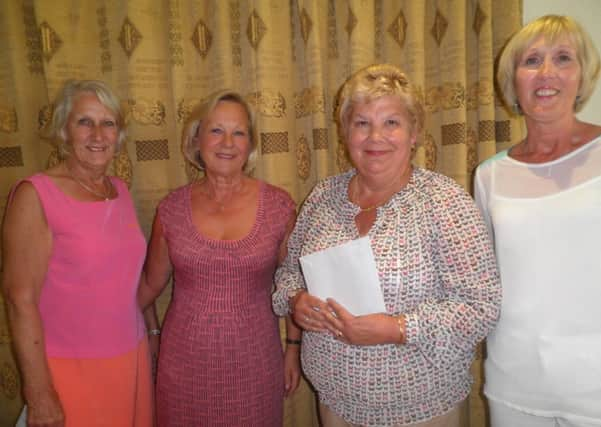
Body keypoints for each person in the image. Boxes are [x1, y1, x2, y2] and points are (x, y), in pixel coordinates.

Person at [272, 63, 501, 427]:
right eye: (362, 123)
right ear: (345, 133)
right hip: (335, 405)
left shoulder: (444, 202)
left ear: (414, 134)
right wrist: (295, 301)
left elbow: (481, 306)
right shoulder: (321, 199)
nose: (375, 136)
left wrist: (398, 329)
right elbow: (287, 274)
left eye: (391, 122)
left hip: (422, 410)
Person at [137, 90, 301, 426]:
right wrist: (148, 334)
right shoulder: (171, 210)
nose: (227, 142)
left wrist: (294, 349)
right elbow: (148, 286)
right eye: (216, 130)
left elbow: (294, 285)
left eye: (238, 132)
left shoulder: (279, 206)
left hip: (256, 363)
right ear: (196, 139)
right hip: (183, 366)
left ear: (250, 145)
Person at [1, 80, 152, 426]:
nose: (98, 134)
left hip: (130, 359)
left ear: (119, 134)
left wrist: (152, 334)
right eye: (84, 122)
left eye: (108, 123)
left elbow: (128, 276)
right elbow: (18, 300)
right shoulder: (34, 194)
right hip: (70, 370)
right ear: (64, 130)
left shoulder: (121, 191)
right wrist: (38, 393)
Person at [475, 15, 601, 427]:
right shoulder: (489, 175)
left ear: (582, 75)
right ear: (513, 82)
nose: (547, 73)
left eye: (563, 58)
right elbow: (485, 278)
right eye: (531, 61)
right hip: (515, 383)